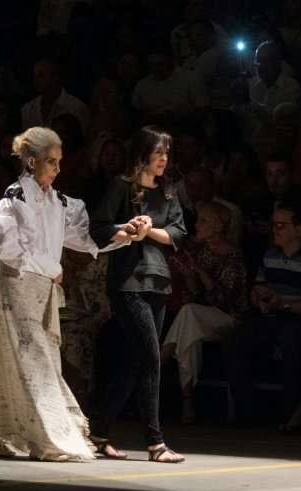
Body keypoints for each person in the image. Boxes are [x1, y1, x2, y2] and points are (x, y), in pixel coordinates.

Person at [0, 127, 123, 462]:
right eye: (50, 161)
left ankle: (31, 433)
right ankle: (49, 437)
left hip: (43, 290)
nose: (57, 168)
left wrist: (121, 234)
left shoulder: (57, 201)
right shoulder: (14, 198)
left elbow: (82, 237)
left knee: (44, 361)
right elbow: (9, 250)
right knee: (32, 362)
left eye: (59, 162)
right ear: (31, 161)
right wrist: (50, 266)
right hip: (18, 289)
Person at [89, 125, 187, 463]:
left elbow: (177, 232)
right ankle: (155, 442)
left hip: (157, 281)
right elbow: (99, 226)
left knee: (135, 362)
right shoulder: (121, 187)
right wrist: (126, 228)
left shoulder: (168, 192)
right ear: (143, 153)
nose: (163, 159)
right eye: (158, 152)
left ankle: (98, 432)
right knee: (150, 358)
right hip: (128, 281)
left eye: (166, 153)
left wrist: (150, 231)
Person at [223, 201, 301, 425]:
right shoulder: (269, 256)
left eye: (281, 225)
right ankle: (247, 412)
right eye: (274, 225)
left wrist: (284, 305)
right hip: (271, 316)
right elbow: (258, 287)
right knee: (236, 340)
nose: (275, 230)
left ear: (299, 229)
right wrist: (259, 297)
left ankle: (290, 413)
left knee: (293, 341)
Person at [162, 201, 249, 423]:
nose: (197, 226)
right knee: (189, 328)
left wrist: (200, 274)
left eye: (204, 221)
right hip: (198, 317)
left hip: (229, 318)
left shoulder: (233, 256)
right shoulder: (196, 251)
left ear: (219, 226)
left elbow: (224, 300)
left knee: (189, 315)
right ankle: (187, 402)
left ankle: (163, 357)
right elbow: (192, 293)